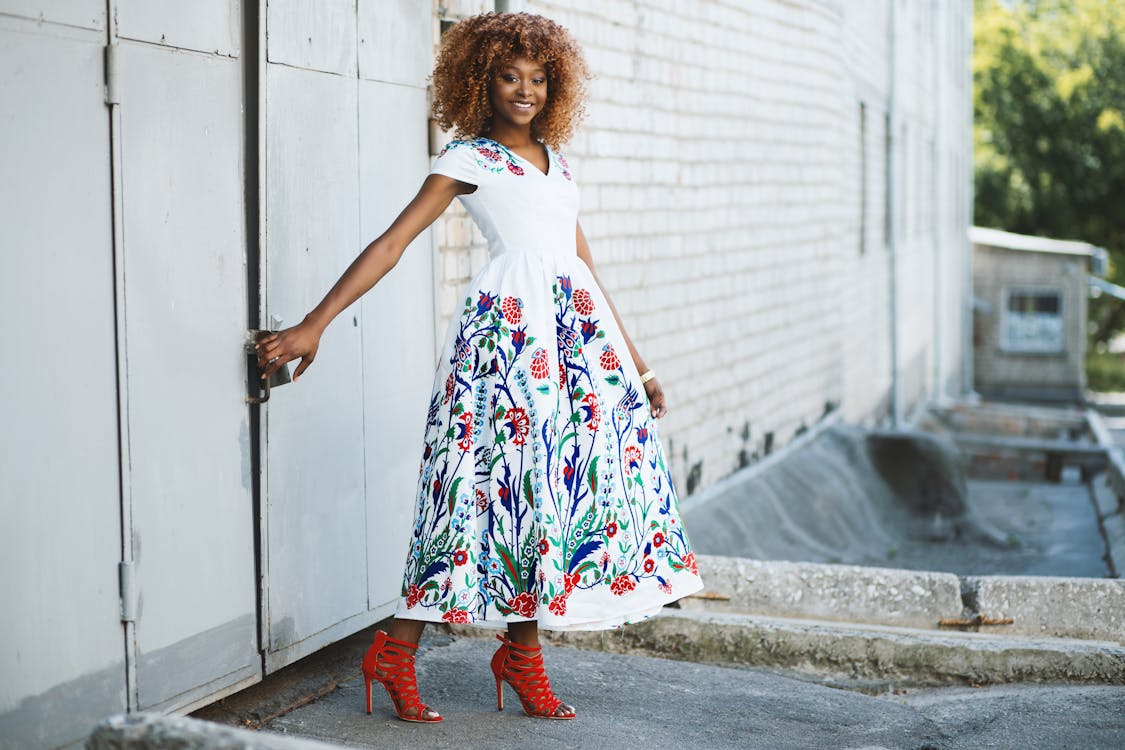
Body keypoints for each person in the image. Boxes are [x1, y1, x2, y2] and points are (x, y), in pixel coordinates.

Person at [257, 11, 704, 724]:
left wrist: (637, 365)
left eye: (537, 78)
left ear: (553, 86)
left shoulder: (559, 163)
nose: (523, 90)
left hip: (574, 348)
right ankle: (397, 653)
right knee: (475, 491)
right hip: (504, 343)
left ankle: (520, 656)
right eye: (508, 76)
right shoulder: (468, 158)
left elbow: (582, 266)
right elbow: (391, 243)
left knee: (541, 495)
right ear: (479, 80)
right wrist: (316, 323)